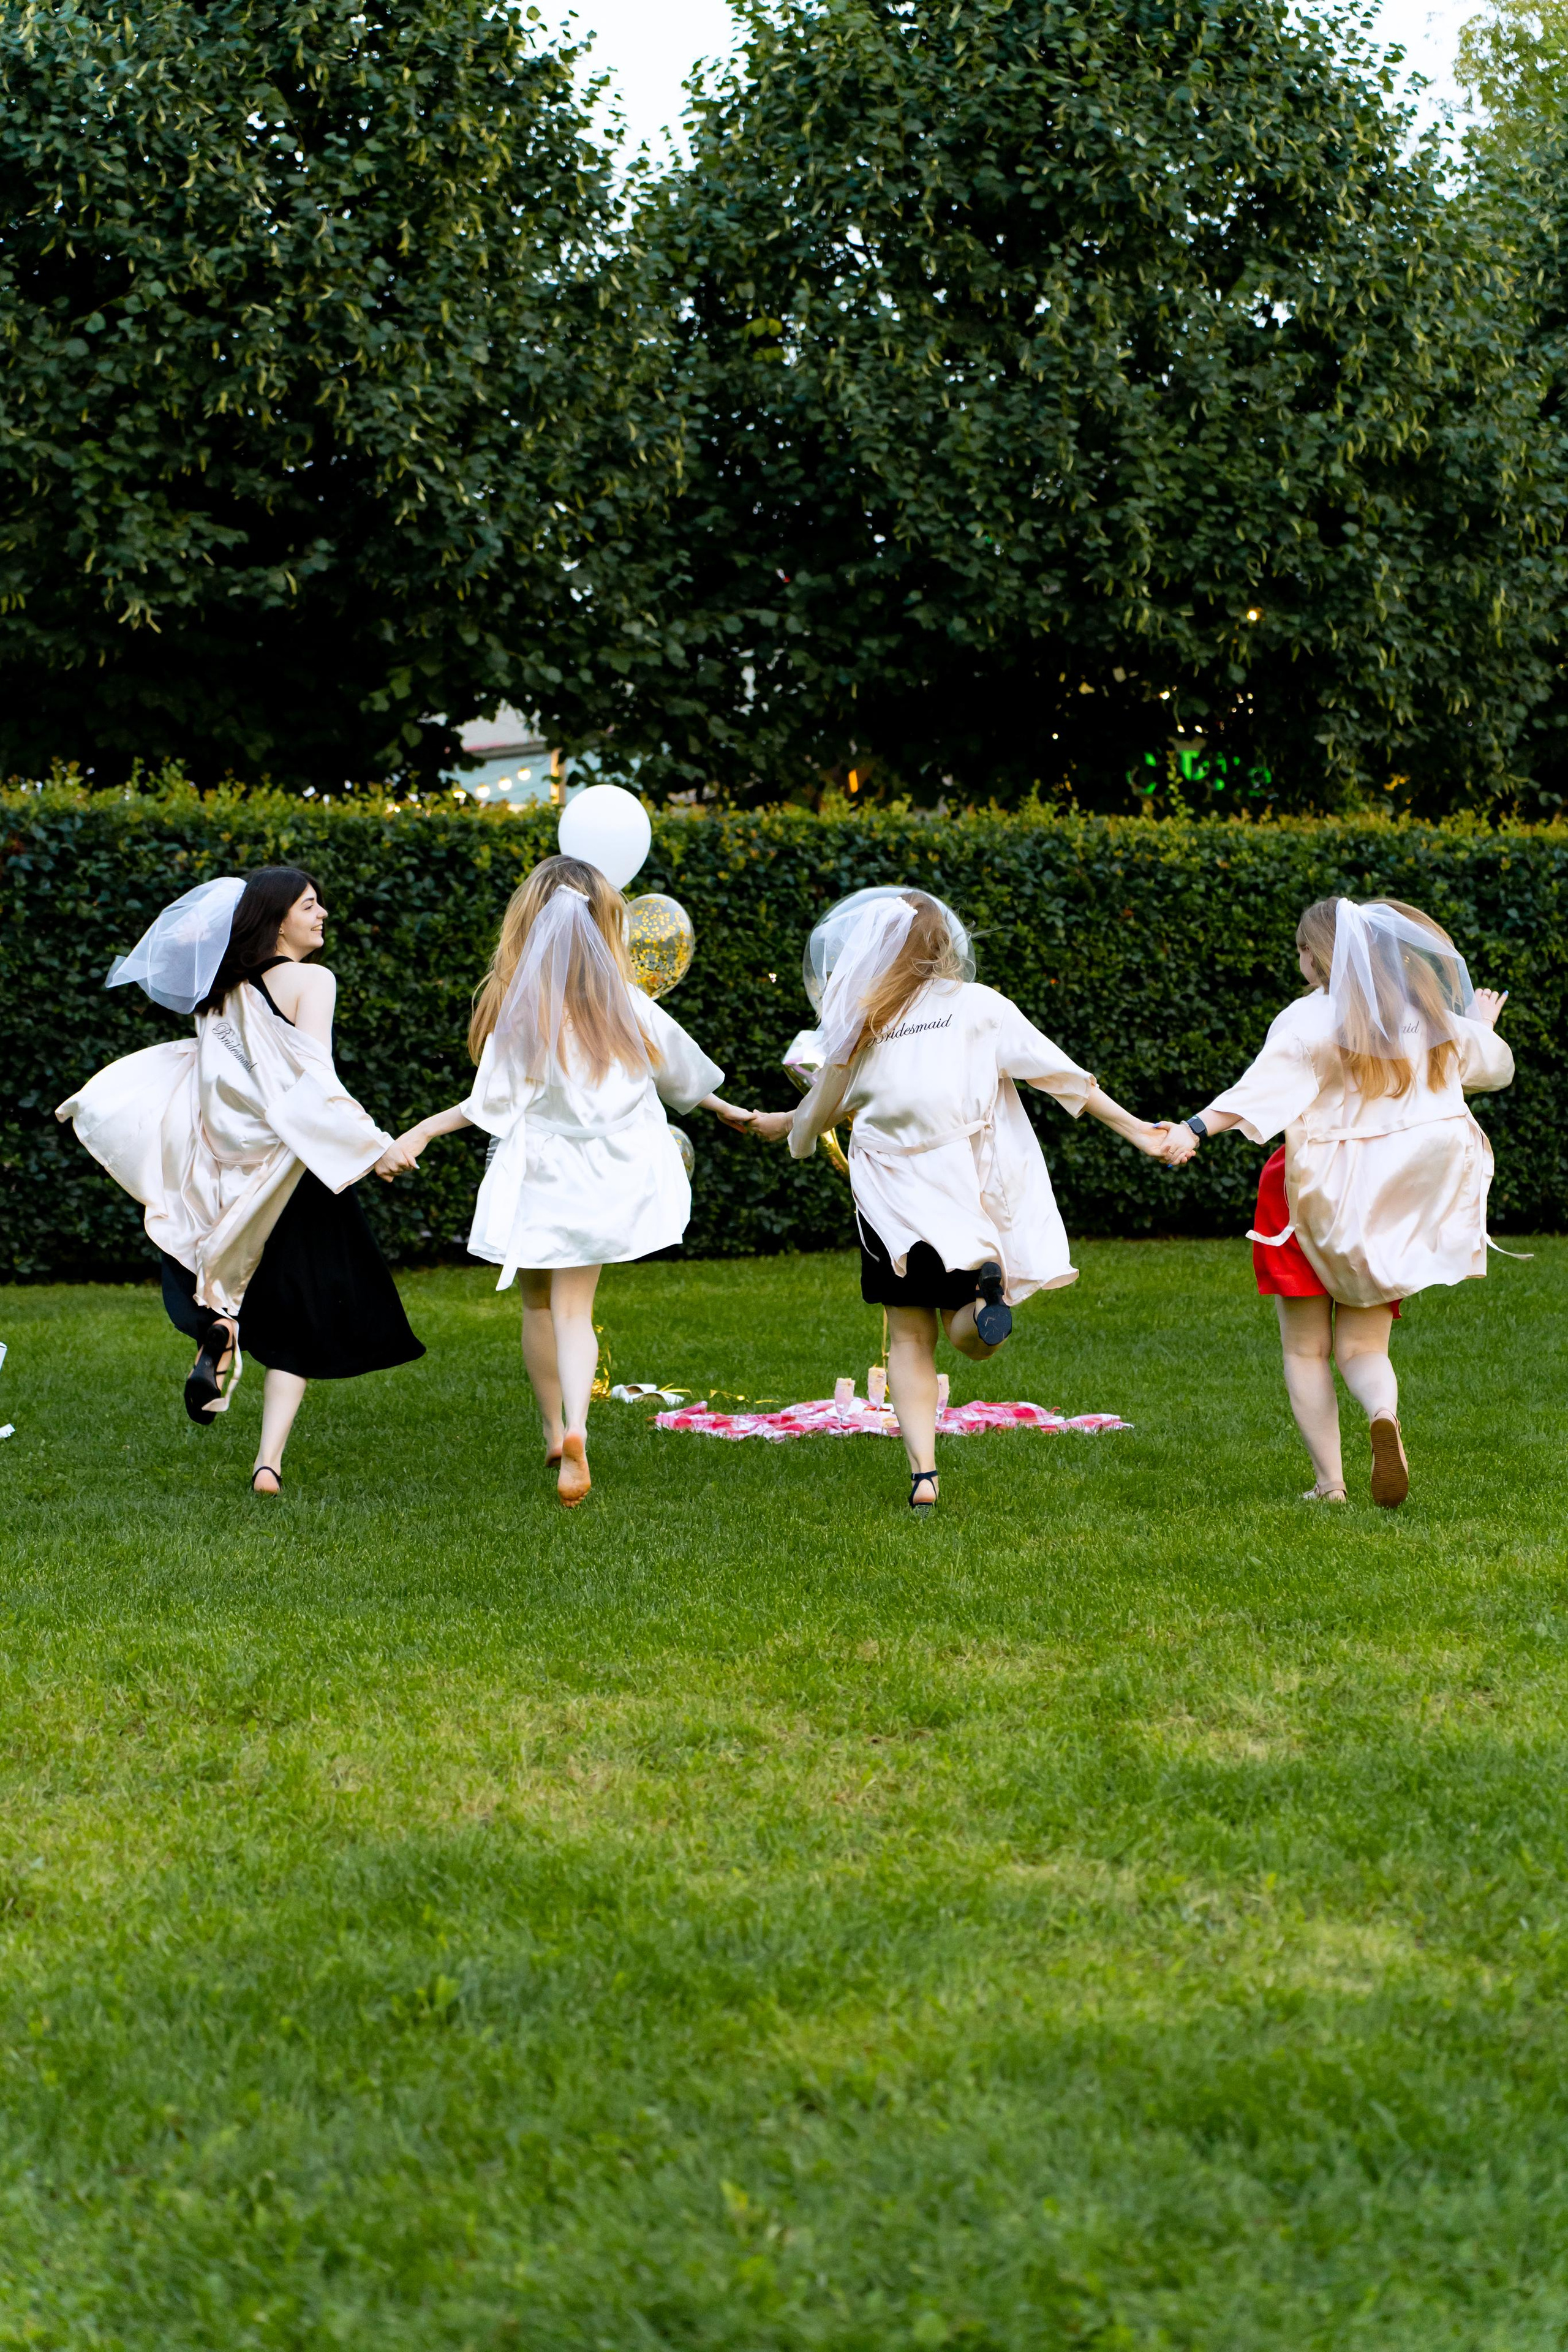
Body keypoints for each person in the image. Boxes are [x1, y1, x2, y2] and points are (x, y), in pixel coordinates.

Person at [748, 888, 1171, 1513]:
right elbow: (1061, 1074)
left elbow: (821, 1113)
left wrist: (792, 1132)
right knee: (968, 1335)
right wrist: (1140, 1130)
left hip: (890, 1208)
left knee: (908, 1338)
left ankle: (924, 1477)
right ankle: (984, 1304)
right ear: (946, 945)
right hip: (962, 1194)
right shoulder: (979, 1007)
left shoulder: (861, 1022)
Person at [390, 854, 753, 1507]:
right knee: (574, 1312)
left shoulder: (524, 1013)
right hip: (608, 1176)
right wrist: (737, 1113)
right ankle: (580, 1428)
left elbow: (486, 1107)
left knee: (536, 1305)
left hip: (541, 1179)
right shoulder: (630, 1008)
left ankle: (555, 1430)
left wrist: (419, 1131)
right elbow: (686, 1080)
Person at [56, 868, 423, 1493]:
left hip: (231, 1172)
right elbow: (312, 1081)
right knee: (306, 1319)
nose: (323, 913)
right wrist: (374, 1150)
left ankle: (222, 1331)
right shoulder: (314, 981)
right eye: (311, 905)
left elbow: (227, 1086)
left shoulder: (222, 993)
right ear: (278, 916)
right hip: (295, 1172)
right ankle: (267, 1463)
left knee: (240, 1296)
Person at [1159, 895, 1515, 1507]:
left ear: (1314, 955)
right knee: (1362, 1346)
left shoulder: (1307, 1018)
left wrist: (1191, 1128)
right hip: (1389, 1201)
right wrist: (1480, 1026)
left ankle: (1330, 1484)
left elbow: (1259, 1091)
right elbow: (1488, 1069)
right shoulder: (1423, 1013)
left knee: (1306, 1347)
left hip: (1310, 1196)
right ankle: (1381, 1411)